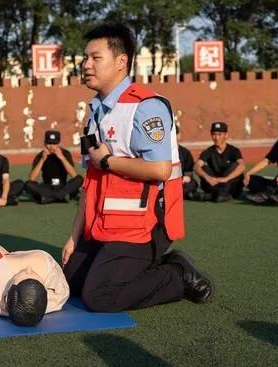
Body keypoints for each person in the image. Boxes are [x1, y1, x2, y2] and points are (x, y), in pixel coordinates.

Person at [61, 23, 213, 314]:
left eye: (95, 58)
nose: (85, 65)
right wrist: (74, 236)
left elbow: (160, 170)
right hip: (106, 225)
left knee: (99, 297)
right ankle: (142, 265)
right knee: (70, 283)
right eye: (84, 58)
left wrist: (108, 161)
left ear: (121, 62)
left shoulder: (145, 106)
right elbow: (90, 182)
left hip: (146, 226)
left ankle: (176, 274)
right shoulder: (94, 114)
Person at [0, 245, 69, 326]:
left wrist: (13, 310)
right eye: (33, 275)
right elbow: (61, 295)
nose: (28, 269)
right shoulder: (59, 290)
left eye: (24, 275)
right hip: (41, 259)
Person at [25, 130, 83, 204]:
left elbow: (74, 175)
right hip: (47, 187)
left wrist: (61, 157)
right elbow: (32, 178)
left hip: (62, 186)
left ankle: (49, 198)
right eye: (49, 143)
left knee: (79, 179)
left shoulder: (65, 153)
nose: (51, 146)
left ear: (59, 144)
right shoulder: (40, 156)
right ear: (45, 143)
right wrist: (42, 160)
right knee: (28, 184)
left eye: (54, 143)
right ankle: (60, 197)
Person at [194, 122, 246, 202]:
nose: (216, 138)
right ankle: (219, 194)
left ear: (226, 135)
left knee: (235, 165)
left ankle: (219, 194)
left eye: (219, 134)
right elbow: (196, 166)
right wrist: (208, 178)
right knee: (203, 167)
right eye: (214, 134)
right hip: (215, 183)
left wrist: (226, 179)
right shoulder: (208, 151)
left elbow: (242, 166)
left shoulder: (234, 151)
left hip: (228, 183)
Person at [176, 125, 199, 199]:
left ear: (179, 135)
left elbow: (189, 172)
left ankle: (179, 194)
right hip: (166, 182)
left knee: (193, 183)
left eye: (175, 135)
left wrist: (186, 177)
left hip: (181, 182)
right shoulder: (162, 152)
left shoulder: (185, 152)